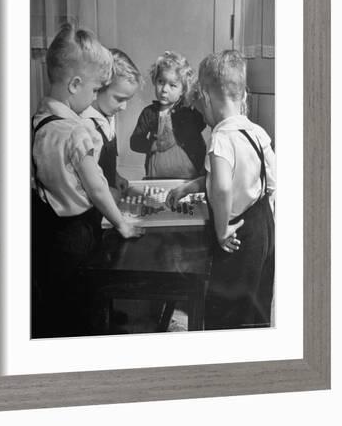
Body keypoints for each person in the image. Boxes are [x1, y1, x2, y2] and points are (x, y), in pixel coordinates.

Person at [31, 24, 143, 338]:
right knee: (84, 301)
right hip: (76, 232)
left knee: (59, 301)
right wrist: (121, 223)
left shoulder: (40, 120)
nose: (95, 98)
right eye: (95, 90)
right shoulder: (77, 131)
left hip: (47, 230)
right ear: (75, 84)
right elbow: (95, 187)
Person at [167, 50, 276, 330]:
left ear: (205, 96)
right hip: (262, 225)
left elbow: (224, 187)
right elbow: (269, 181)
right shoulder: (257, 132)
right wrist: (191, 186)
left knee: (227, 309)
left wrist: (221, 229)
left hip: (235, 231)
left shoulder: (221, 139)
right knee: (256, 299)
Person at [130, 51, 206, 179]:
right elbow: (135, 142)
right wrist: (153, 145)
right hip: (156, 175)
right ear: (154, 81)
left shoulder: (189, 112)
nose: (164, 89)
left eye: (172, 85)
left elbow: (204, 121)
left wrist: (193, 98)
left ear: (183, 90)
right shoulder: (149, 113)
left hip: (188, 176)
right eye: (161, 82)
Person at [81, 48, 142, 196]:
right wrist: (107, 193)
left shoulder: (108, 117)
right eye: (120, 99)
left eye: (127, 100)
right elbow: (83, 178)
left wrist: (115, 175)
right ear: (100, 87)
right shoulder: (84, 124)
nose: (124, 107)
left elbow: (103, 162)